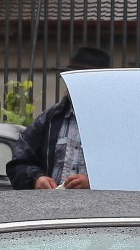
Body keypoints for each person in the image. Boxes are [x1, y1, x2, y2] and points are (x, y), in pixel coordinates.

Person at [6, 46, 111, 191]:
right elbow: (18, 164)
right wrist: (37, 179)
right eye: (70, 80)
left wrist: (94, 183)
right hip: (52, 205)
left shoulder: (117, 124)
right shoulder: (49, 119)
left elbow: (132, 173)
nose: (72, 86)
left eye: (82, 81)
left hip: (102, 206)